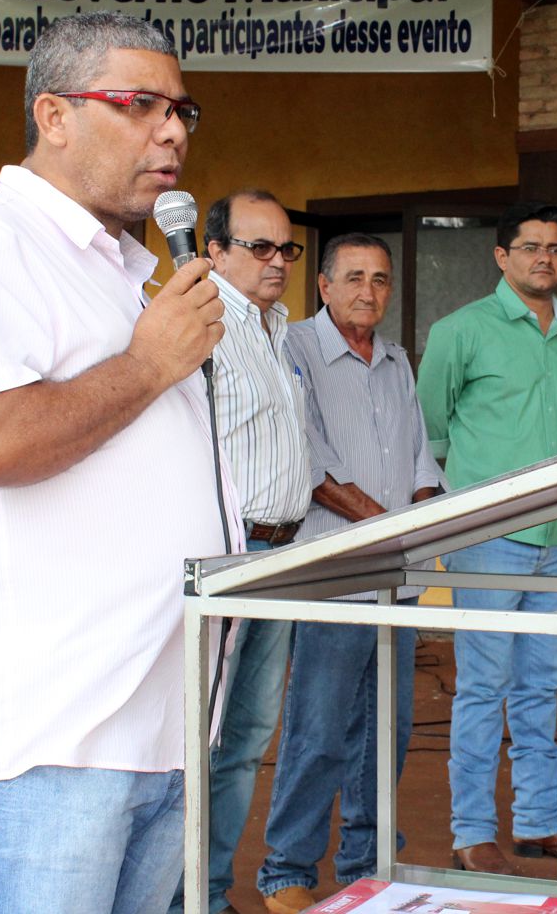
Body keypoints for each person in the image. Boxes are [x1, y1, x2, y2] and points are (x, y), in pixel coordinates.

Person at [0, 11, 230, 912]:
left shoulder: (125, 269)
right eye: (140, 103)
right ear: (54, 115)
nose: (172, 131)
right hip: (46, 742)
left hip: (162, 727)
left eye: (183, 109)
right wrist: (151, 365)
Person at [417, 202, 557, 875]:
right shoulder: (459, 330)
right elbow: (432, 428)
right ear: (502, 256)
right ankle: (472, 830)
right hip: (490, 535)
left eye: (555, 248)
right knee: (482, 686)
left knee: (541, 686)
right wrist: (466, 506)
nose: (544, 258)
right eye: (530, 247)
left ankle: (537, 822)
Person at [256, 233, 444, 914]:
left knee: (385, 733)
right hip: (332, 573)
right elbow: (311, 463)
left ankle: (368, 861)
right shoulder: (295, 349)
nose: (370, 291)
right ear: (325, 287)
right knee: (318, 730)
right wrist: (386, 524)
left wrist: (423, 516)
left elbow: (422, 460)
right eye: (355, 277)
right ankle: (287, 869)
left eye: (382, 279)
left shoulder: (396, 361)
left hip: (397, 577)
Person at [186, 187, 314, 914]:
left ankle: (206, 891)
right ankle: (179, 895)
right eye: (259, 247)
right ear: (214, 252)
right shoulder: (203, 327)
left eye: (286, 249)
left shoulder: (275, 332)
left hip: (282, 560)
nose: (277, 262)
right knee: (201, 741)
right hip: (226, 558)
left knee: (246, 739)